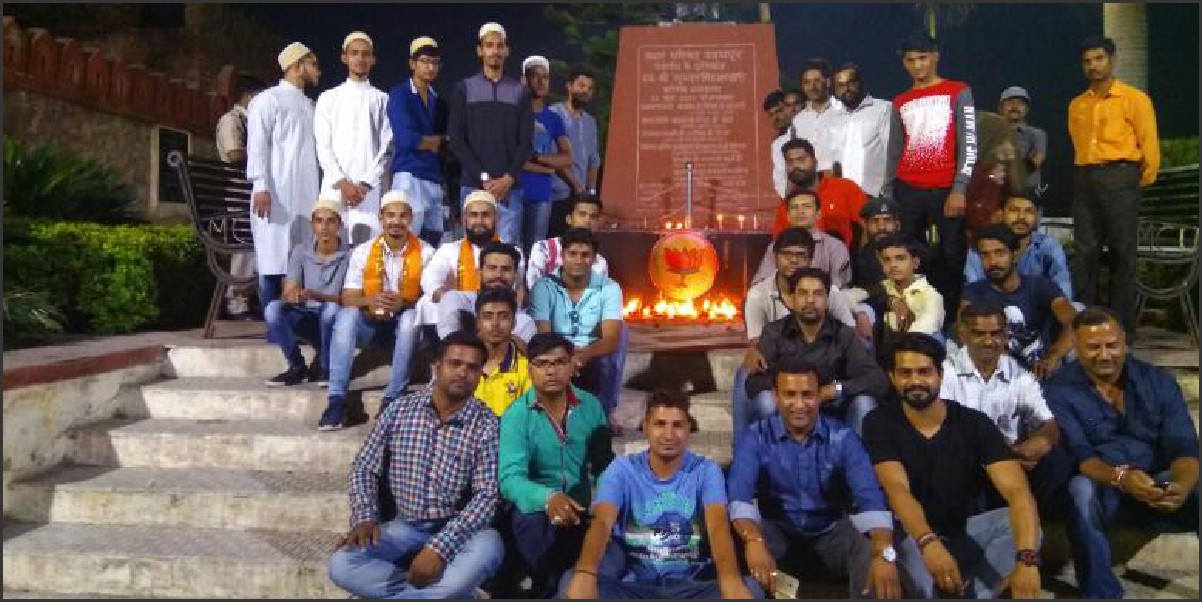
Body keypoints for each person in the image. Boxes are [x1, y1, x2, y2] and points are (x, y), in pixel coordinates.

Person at [863, 333, 1043, 599]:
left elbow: (1018, 493)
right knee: (923, 585)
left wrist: (1027, 560)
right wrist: (928, 542)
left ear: (940, 374)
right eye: (905, 373)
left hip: (959, 532)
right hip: (909, 536)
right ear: (892, 377)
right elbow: (896, 490)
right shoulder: (879, 422)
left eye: (924, 372)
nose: (915, 381)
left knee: (1020, 527)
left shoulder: (974, 423)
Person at [328, 331, 503, 599]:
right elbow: (365, 467)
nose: (462, 373)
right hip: (403, 526)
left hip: (456, 528)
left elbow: (487, 496)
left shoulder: (487, 424)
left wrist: (440, 548)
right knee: (342, 564)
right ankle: (446, 595)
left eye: (472, 367)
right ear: (437, 367)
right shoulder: (399, 410)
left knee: (490, 546)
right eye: (455, 364)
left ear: (481, 375)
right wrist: (365, 517)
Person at [1045, 307, 1199, 598]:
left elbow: (1184, 445)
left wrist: (1181, 485)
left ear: (1125, 343)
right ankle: (1101, 594)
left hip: (1156, 485)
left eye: (1112, 345)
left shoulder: (1158, 381)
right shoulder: (1058, 390)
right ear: (1076, 347)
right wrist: (1121, 478)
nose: (1105, 355)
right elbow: (1082, 458)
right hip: (1104, 490)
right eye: (1093, 347)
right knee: (1079, 488)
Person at [559, 390, 762, 599]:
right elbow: (602, 522)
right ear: (645, 426)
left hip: (690, 588)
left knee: (751, 589)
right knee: (570, 583)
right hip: (635, 588)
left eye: (677, 425)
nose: (668, 435)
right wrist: (586, 572)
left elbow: (718, 526)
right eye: (660, 424)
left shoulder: (706, 471)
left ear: (689, 428)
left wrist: (730, 580)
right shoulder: (622, 469)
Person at [728, 357, 903, 599]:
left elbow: (870, 497)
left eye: (807, 395)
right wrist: (754, 539)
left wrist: (884, 552)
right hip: (777, 534)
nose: (799, 404)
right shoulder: (756, 436)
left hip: (831, 533)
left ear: (819, 395)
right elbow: (739, 496)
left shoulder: (843, 437)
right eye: (790, 395)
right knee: (732, 537)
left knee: (870, 549)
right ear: (775, 396)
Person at [497, 332, 614, 598]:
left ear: (573, 365)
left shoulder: (590, 406)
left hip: (583, 507)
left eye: (559, 362)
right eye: (541, 364)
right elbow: (510, 478)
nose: (551, 371)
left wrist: (604, 503)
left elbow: (604, 464)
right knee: (530, 522)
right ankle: (543, 585)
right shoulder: (516, 415)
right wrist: (547, 498)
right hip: (539, 511)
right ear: (530, 370)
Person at [1068, 35, 1160, 342]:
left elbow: (1149, 145)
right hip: (1085, 178)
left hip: (1120, 176)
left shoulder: (1134, 99)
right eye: (1087, 61)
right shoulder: (1077, 105)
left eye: (1099, 59)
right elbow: (1078, 143)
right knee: (1085, 253)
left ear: (1112, 60)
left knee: (1122, 254)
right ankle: (1084, 327)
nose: (1093, 66)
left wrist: (1133, 182)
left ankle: (1121, 331)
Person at [941, 300, 1074, 512]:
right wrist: (996, 459)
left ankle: (1025, 514)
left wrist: (1042, 442)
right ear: (963, 335)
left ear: (1005, 336)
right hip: (968, 464)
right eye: (979, 334)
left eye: (995, 334)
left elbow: (1047, 423)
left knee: (1060, 461)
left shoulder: (1020, 375)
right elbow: (946, 435)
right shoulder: (945, 374)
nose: (988, 341)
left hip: (1013, 461)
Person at [318, 191, 435, 431]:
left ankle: (393, 397)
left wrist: (405, 302)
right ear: (381, 218)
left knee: (411, 317)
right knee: (346, 315)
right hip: (371, 325)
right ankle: (337, 399)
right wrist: (369, 300)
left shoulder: (426, 252)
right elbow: (348, 297)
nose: (396, 221)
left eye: (402, 216)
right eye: (390, 215)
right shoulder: (363, 251)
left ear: (410, 219)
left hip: (407, 331)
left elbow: (432, 298)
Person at [886, 31, 978, 328]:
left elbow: (969, 145)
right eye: (911, 60)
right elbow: (894, 150)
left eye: (923, 58)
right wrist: (889, 193)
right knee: (909, 256)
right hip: (907, 189)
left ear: (936, 56)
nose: (917, 65)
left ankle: (953, 320)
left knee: (953, 256)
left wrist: (959, 188)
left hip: (945, 188)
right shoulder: (900, 101)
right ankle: (914, 317)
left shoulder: (958, 91)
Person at [741, 268, 889, 437]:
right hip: (790, 407)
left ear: (827, 300)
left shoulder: (843, 334)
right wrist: (796, 392)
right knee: (766, 401)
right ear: (791, 300)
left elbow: (877, 380)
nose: (810, 300)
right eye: (803, 293)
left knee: (864, 403)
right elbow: (754, 382)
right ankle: (774, 452)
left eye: (818, 294)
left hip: (833, 405)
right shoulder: (774, 332)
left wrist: (835, 390)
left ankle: (853, 453)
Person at [246, 41, 321, 314]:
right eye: (313, 64)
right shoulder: (269, 100)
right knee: (273, 258)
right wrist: (260, 186)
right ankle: (272, 322)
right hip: (275, 194)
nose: (318, 71)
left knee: (300, 257)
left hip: (306, 194)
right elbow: (257, 145)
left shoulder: (310, 105)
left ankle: (294, 324)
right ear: (297, 66)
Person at [529, 228, 625, 433]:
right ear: (562, 256)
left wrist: (583, 355)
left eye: (585, 255)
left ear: (594, 258)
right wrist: (567, 357)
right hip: (557, 351)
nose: (579, 260)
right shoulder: (543, 287)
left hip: (591, 352)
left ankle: (602, 418)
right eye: (572, 254)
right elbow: (544, 335)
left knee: (621, 334)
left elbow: (611, 338)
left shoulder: (609, 288)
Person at [447, 22, 533, 245]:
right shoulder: (464, 89)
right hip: (473, 184)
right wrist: (484, 177)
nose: (495, 51)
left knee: (506, 250)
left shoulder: (520, 92)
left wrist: (508, 178)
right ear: (480, 50)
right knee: (471, 250)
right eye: (489, 45)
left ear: (507, 50)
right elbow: (456, 140)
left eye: (499, 46)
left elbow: (526, 142)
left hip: (509, 189)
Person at [961, 224, 1078, 379]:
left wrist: (1053, 356)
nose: (992, 261)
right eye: (985, 255)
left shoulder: (1040, 285)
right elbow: (965, 330)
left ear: (1015, 255)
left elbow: (1074, 322)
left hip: (1044, 371)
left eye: (999, 253)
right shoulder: (974, 292)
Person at [315, 31, 392, 245]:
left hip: (368, 190)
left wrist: (365, 184)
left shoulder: (382, 99)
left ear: (373, 59)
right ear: (344, 57)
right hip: (334, 186)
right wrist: (342, 183)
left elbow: (387, 148)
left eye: (365, 54)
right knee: (330, 248)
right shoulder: (328, 98)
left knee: (366, 250)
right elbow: (323, 146)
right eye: (354, 53)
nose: (360, 58)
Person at [263, 198, 349, 387]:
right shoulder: (301, 251)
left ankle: (327, 368)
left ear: (339, 225)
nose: (324, 227)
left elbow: (350, 298)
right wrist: (293, 295)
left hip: (335, 320)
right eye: (319, 221)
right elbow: (289, 289)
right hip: (307, 315)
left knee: (331, 310)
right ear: (312, 225)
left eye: (330, 221)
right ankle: (297, 366)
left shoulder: (350, 255)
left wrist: (318, 296)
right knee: (273, 309)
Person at [419, 190, 525, 329]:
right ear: (464, 219)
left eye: (485, 215)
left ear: (496, 218)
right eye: (474, 215)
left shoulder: (512, 252)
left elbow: (514, 288)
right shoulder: (448, 250)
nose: (479, 221)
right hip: (457, 311)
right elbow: (429, 279)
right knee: (430, 303)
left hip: (497, 311)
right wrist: (450, 297)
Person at [387, 36, 450, 248]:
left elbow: (447, 143)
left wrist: (431, 142)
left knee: (434, 240)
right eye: (425, 61)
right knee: (407, 241)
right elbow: (407, 140)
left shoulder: (438, 101)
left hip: (434, 178)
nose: (430, 67)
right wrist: (440, 141)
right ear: (412, 63)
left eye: (435, 63)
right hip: (409, 176)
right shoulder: (399, 94)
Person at [216, 74, 267, 319]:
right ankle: (237, 301)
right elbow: (234, 154)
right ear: (249, 97)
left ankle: (255, 298)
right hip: (240, 199)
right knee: (246, 245)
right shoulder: (232, 120)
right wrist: (265, 153)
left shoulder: (251, 122)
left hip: (251, 197)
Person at [964, 190, 1073, 300]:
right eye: (1014, 210)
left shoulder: (1048, 245)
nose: (1021, 217)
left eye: (1029, 211)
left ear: (1037, 217)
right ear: (1000, 214)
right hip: (991, 307)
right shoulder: (982, 246)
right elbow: (974, 294)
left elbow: (1063, 291)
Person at [518, 55, 573, 254]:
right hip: (513, 190)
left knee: (536, 251)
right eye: (535, 76)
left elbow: (567, 158)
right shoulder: (511, 114)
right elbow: (510, 158)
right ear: (524, 80)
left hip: (541, 193)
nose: (541, 82)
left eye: (545, 77)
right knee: (511, 247)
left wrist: (536, 158)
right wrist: (546, 168)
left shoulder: (553, 118)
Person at [772, 139, 869, 251]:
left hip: (848, 258)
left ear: (815, 162)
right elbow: (780, 248)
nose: (795, 166)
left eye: (801, 160)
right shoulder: (786, 206)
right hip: (805, 260)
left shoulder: (845, 187)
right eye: (790, 162)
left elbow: (868, 225)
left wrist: (863, 258)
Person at [436, 241, 536, 344]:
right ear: (479, 272)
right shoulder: (457, 301)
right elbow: (449, 346)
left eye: (506, 269)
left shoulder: (524, 322)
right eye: (492, 268)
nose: (498, 275)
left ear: (515, 275)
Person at [755, 187, 852, 288]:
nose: (800, 211)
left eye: (806, 206)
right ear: (788, 216)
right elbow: (760, 284)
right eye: (794, 207)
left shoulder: (835, 247)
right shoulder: (776, 246)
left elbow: (839, 288)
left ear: (818, 214)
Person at [548, 67, 601, 240]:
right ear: (569, 86)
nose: (585, 91)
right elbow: (552, 157)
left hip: (581, 197)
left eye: (590, 88)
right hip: (557, 193)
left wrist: (590, 191)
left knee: (579, 241)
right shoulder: (554, 114)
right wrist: (577, 185)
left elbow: (593, 159)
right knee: (556, 240)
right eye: (581, 85)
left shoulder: (590, 122)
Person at [867, 234, 944, 352]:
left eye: (900, 258)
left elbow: (921, 334)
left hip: (916, 353)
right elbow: (847, 297)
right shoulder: (881, 287)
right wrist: (890, 300)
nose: (893, 265)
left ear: (915, 263)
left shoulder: (931, 296)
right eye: (887, 260)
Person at [829, 63, 893, 198]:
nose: (846, 89)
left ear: (860, 83)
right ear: (835, 90)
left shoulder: (883, 109)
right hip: (842, 197)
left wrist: (887, 192)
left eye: (850, 83)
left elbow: (892, 153)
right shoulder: (832, 117)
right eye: (840, 85)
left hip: (873, 195)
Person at [525, 194, 609, 290]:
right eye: (582, 214)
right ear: (569, 219)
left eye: (593, 217)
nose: (587, 220)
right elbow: (534, 286)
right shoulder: (543, 248)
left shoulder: (600, 262)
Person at [471, 286, 530, 416]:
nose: (495, 324)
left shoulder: (526, 370)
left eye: (503, 317)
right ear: (477, 322)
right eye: (488, 317)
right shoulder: (465, 367)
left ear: (514, 322)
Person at [791, 57, 845, 174]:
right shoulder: (798, 120)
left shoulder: (844, 112)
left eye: (817, 81)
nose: (812, 87)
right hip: (809, 181)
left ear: (828, 82)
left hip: (839, 178)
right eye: (807, 82)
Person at [999, 86, 1047, 193]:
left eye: (1020, 103)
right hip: (997, 190)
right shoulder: (992, 135)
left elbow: (1034, 162)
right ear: (1001, 108)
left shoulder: (1038, 135)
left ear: (1027, 109)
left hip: (1028, 191)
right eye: (1010, 103)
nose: (1015, 107)